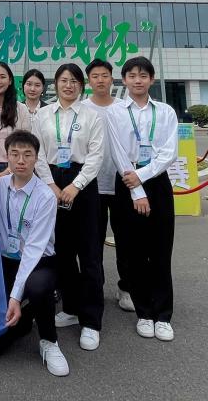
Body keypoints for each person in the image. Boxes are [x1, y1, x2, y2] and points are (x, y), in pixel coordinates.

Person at [0, 130, 68, 377]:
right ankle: (28, 314)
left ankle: (49, 342)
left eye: (27, 155)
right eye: (15, 154)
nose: (21, 160)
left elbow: (33, 250)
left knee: (37, 287)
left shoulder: (45, 197)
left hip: (39, 262)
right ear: (7, 156)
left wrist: (15, 297)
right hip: (6, 261)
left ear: (36, 158)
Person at [32, 64, 105, 351]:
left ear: (81, 85)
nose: (69, 85)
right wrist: (50, 185)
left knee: (89, 254)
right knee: (61, 252)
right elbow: (37, 153)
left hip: (82, 184)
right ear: (56, 84)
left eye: (74, 81)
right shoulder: (43, 115)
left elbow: (96, 155)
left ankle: (91, 320)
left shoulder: (91, 116)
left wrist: (76, 185)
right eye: (64, 80)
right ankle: (72, 308)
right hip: (51, 180)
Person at [106, 57, 178, 342]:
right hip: (126, 180)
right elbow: (117, 152)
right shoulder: (115, 112)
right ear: (124, 79)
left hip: (157, 181)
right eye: (132, 75)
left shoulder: (165, 112)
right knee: (133, 251)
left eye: (143, 75)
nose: (138, 80)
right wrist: (136, 188)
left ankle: (163, 315)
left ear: (151, 79)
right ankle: (144, 313)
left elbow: (169, 152)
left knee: (161, 250)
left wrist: (143, 176)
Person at [82, 59, 134, 313]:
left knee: (126, 239)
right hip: (92, 184)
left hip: (121, 182)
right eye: (95, 76)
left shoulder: (124, 108)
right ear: (88, 81)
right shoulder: (82, 108)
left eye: (104, 75)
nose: (100, 80)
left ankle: (126, 287)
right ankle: (95, 288)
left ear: (112, 79)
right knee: (93, 241)